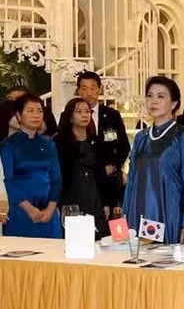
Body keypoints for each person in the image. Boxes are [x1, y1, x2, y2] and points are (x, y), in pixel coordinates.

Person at [123, 77, 184, 244]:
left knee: (162, 263)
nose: (153, 101)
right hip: (139, 210)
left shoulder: (183, 137)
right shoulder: (141, 137)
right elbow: (132, 180)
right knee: (138, 262)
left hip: (168, 211)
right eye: (150, 96)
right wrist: (125, 215)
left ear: (174, 104)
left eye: (160, 96)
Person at [0, 94, 61, 238]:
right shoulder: (8, 145)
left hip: (49, 212)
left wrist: (51, 208)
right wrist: (30, 210)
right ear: (19, 116)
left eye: (39, 111)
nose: (36, 115)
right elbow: (9, 180)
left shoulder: (49, 144)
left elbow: (56, 178)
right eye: (30, 110)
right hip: (20, 211)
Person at [76, 71, 130, 212]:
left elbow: (124, 146)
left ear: (99, 90)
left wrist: (114, 166)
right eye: (84, 88)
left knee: (112, 228)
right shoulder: (70, 115)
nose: (88, 92)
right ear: (78, 91)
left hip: (109, 180)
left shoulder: (112, 115)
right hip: (84, 181)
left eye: (92, 88)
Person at [54, 98, 107, 239]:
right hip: (70, 195)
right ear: (70, 116)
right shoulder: (60, 142)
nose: (85, 115)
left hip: (94, 195)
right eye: (79, 111)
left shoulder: (95, 140)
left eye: (87, 111)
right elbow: (57, 174)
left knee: (98, 236)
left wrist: (107, 202)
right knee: (75, 238)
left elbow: (102, 173)